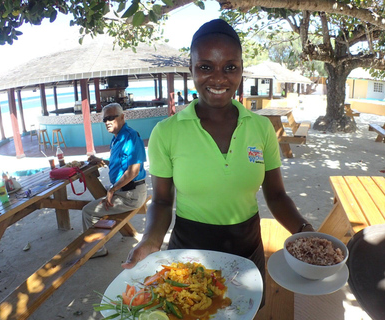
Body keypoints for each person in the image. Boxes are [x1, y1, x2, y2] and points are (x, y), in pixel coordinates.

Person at [121, 19, 314, 304]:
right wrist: (150, 240)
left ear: (241, 70)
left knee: (246, 312)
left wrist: (304, 232)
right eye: (206, 66)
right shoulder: (167, 132)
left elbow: (276, 194)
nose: (219, 78)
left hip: (248, 252)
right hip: (188, 257)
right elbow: (162, 201)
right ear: (192, 69)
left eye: (230, 67)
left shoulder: (260, 129)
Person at [82, 103, 147, 258]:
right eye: (105, 119)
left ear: (122, 117)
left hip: (131, 194)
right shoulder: (117, 139)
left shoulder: (131, 137)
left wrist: (112, 190)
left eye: (111, 117)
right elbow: (120, 165)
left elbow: (133, 171)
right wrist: (101, 160)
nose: (107, 122)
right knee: (100, 194)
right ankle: (99, 240)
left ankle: (97, 249)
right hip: (126, 190)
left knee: (88, 211)